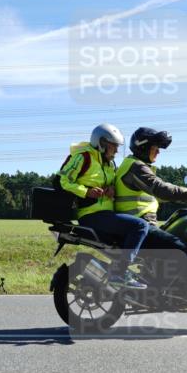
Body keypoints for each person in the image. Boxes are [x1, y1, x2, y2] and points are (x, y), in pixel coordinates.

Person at [58, 123, 149, 289]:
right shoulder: (83, 157)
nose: (116, 150)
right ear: (102, 143)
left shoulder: (109, 164)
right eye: (113, 146)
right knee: (140, 226)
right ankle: (119, 274)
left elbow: (110, 184)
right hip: (91, 215)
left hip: (106, 214)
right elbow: (63, 180)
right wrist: (86, 191)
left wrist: (110, 190)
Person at [114, 127, 187, 259]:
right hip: (139, 224)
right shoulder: (136, 167)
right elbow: (161, 189)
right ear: (143, 147)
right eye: (155, 148)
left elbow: (157, 197)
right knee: (183, 249)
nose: (158, 152)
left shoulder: (133, 165)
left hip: (141, 223)